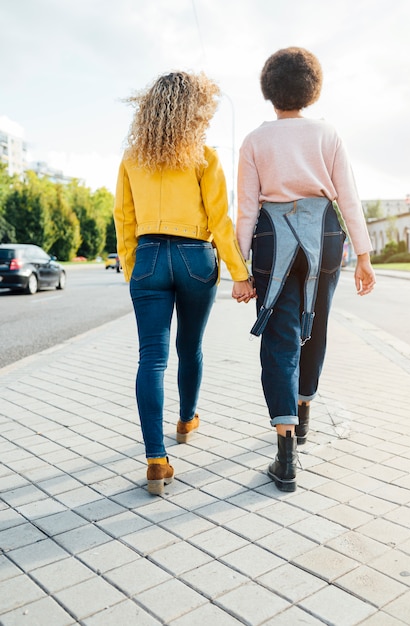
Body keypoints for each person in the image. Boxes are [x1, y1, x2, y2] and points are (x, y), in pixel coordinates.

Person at [236, 47, 375, 492]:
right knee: (315, 327)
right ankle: (305, 415)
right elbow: (348, 196)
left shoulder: (255, 140)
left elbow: (245, 210)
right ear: (312, 88)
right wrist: (365, 255)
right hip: (326, 237)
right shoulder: (327, 134)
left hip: (272, 240)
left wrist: (239, 270)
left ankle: (285, 456)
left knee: (280, 337)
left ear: (269, 91)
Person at [114, 71, 255, 495]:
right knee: (189, 347)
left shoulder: (131, 158)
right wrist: (239, 273)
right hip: (196, 256)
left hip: (149, 256)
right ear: (193, 112)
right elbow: (220, 221)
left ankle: (156, 459)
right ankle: (186, 420)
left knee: (151, 359)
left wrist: (131, 268)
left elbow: (124, 219)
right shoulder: (204, 157)